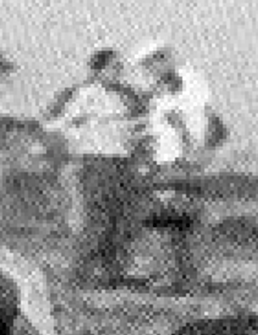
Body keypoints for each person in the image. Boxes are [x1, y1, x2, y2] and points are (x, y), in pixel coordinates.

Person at [46, 46, 146, 288]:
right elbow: (57, 124)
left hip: (122, 161)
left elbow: (134, 126)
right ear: (98, 70)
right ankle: (79, 274)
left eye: (120, 68)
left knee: (120, 219)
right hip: (97, 161)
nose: (118, 72)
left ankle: (113, 273)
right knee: (97, 219)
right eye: (113, 67)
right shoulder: (85, 95)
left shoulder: (124, 97)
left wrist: (134, 136)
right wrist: (82, 141)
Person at [133, 40, 223, 292]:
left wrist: (197, 150)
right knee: (172, 219)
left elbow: (208, 124)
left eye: (153, 62)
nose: (150, 70)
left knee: (177, 219)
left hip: (180, 162)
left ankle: (180, 277)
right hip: (165, 162)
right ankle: (179, 276)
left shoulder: (188, 83)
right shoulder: (158, 94)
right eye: (146, 65)